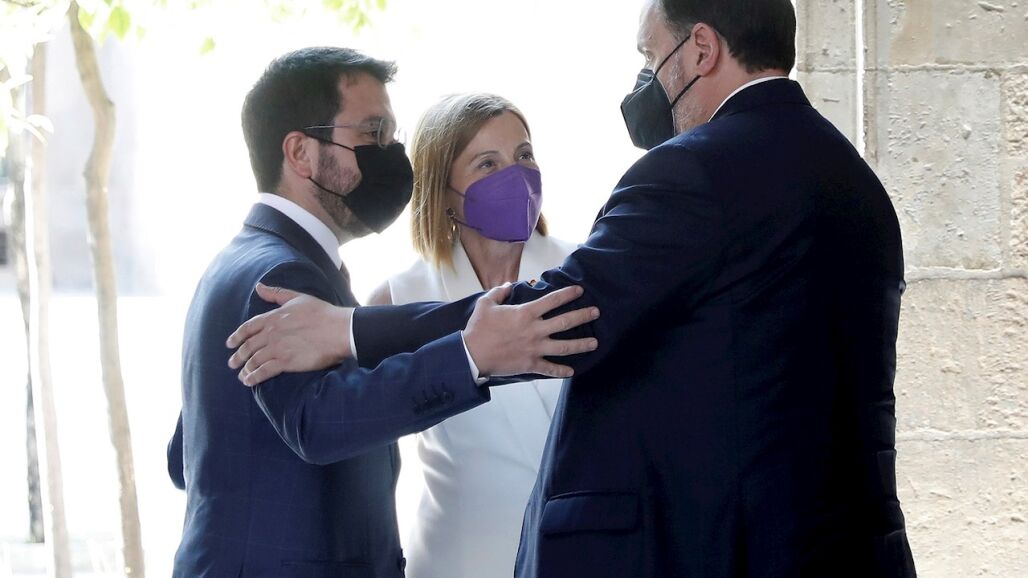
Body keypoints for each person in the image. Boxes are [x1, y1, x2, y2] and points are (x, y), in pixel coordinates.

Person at [226, 0, 919, 575]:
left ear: (702, 49)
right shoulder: (854, 182)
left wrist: (346, 330)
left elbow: (557, 313)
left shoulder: (691, 171)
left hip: (735, 548)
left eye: (652, 56)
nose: (647, 80)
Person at [166, 46, 598, 578]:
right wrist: (470, 355)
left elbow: (187, 454)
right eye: (374, 134)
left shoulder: (258, 262)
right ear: (300, 153)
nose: (392, 154)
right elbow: (319, 423)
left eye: (393, 134)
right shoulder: (281, 275)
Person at [366, 93, 576, 578]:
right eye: (488, 163)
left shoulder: (584, 270)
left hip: (573, 551)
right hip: (456, 557)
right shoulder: (398, 299)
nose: (516, 175)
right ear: (443, 193)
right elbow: (363, 442)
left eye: (524, 155)